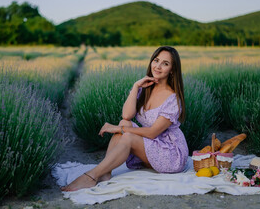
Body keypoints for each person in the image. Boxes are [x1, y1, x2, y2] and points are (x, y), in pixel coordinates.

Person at [61, 46, 188, 192]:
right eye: (156, 60)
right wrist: (135, 87)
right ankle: (105, 172)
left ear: (172, 70)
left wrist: (116, 129)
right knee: (124, 123)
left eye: (165, 63)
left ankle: (91, 176)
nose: (158, 66)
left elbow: (153, 132)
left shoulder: (173, 99)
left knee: (126, 135)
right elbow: (126, 116)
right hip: (153, 146)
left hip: (170, 153)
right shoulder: (145, 88)